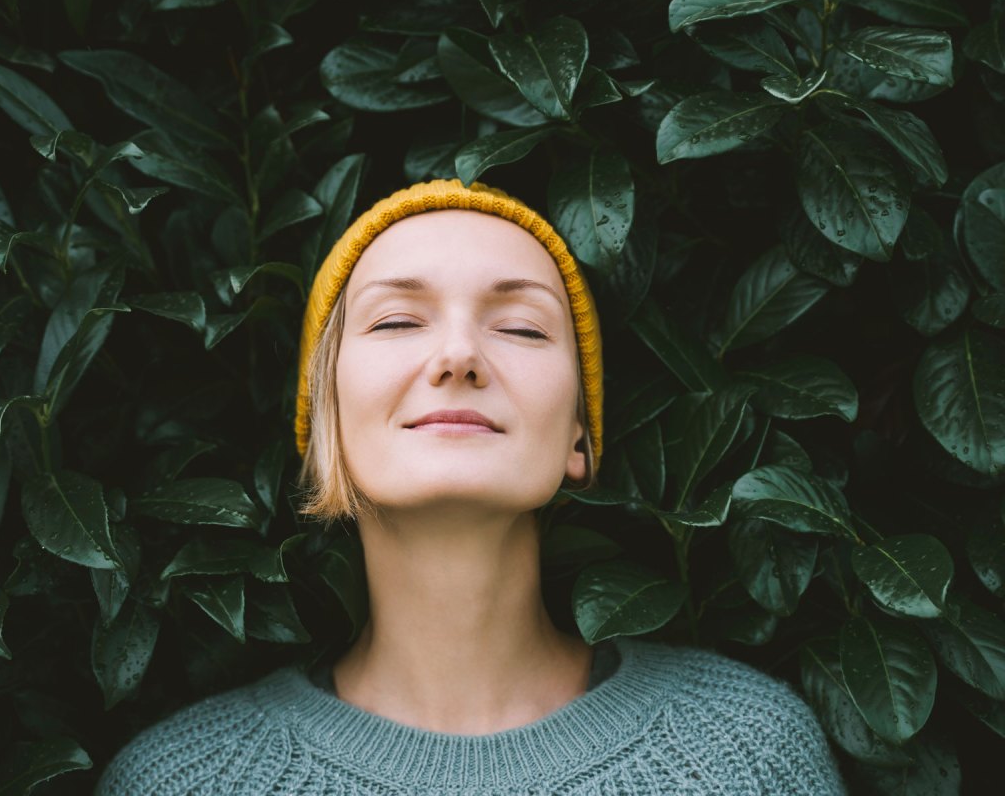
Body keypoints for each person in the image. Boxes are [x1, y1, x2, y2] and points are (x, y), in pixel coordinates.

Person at [95, 179, 846, 795]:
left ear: (579, 436)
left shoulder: (748, 755)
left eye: (521, 328)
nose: (458, 355)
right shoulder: (181, 783)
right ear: (326, 418)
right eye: (396, 322)